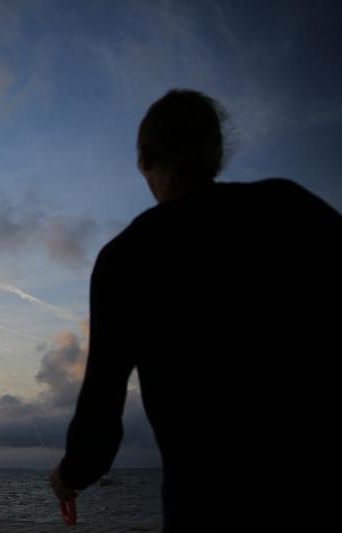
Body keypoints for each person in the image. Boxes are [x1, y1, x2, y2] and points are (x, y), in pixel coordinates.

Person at [50, 89, 342, 531]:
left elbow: (101, 408)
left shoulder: (126, 257)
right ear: (217, 151)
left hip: (204, 507)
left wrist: (70, 475)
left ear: (144, 160)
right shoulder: (290, 207)